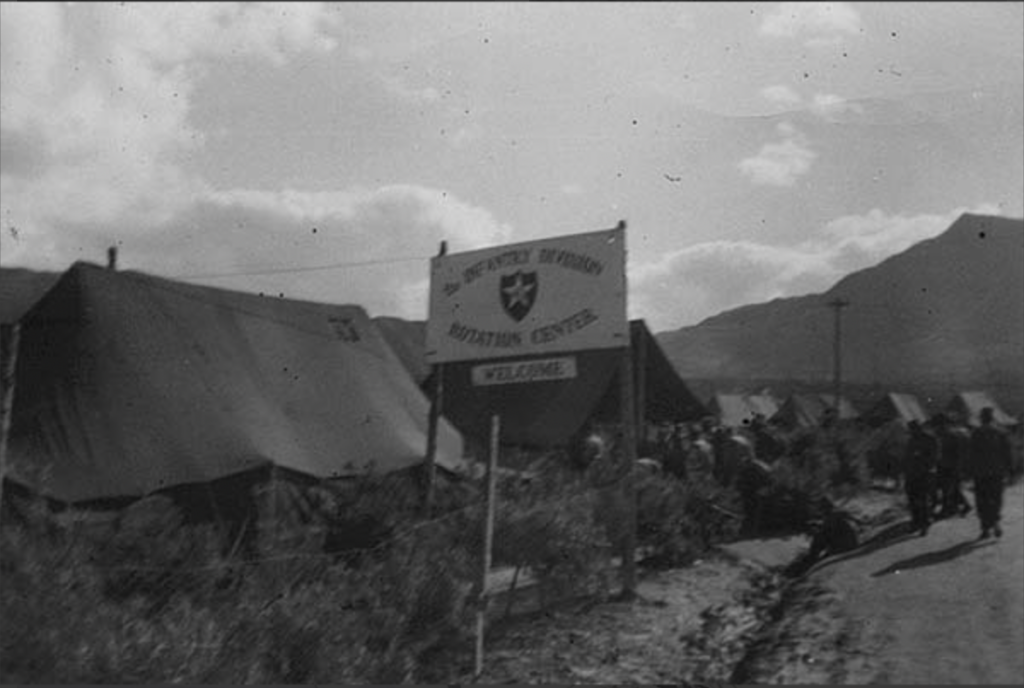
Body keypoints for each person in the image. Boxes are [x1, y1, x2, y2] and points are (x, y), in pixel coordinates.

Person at [967, 407, 1013, 539]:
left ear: (982, 418)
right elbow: (1007, 454)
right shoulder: (1001, 433)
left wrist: (969, 472)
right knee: (996, 499)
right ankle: (996, 522)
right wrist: (1010, 471)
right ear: (992, 418)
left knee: (982, 500)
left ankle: (985, 528)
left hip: (980, 473)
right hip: (997, 472)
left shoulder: (976, 433)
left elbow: (971, 455)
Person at [931, 413, 972, 519]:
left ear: (944, 424)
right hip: (943, 466)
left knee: (946, 489)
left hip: (950, 467)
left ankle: (946, 511)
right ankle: (965, 506)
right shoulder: (941, 435)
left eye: (939, 424)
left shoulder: (951, 436)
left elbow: (958, 453)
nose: (937, 427)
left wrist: (958, 467)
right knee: (953, 489)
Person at [903, 420, 938, 536]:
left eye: (914, 429)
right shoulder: (911, 440)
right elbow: (907, 457)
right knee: (912, 500)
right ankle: (916, 523)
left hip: (924, 474)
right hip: (911, 474)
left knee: (922, 500)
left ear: (919, 428)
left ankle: (924, 524)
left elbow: (934, 456)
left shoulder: (929, 439)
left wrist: (924, 464)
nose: (912, 432)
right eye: (911, 430)